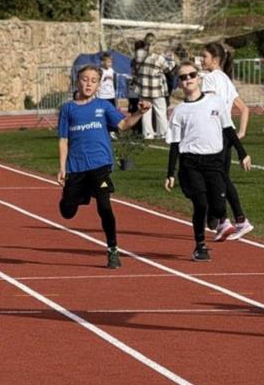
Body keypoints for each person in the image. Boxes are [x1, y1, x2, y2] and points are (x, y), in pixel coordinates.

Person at [57, 64, 148, 268]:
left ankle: (112, 250)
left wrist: (139, 113)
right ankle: (76, 196)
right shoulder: (68, 109)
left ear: (98, 84)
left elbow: (123, 125)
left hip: (100, 165)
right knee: (67, 212)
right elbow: (63, 140)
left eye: (93, 80)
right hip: (77, 166)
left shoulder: (104, 107)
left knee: (105, 206)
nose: (88, 83)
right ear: (77, 81)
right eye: (85, 79)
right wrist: (62, 167)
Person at [165, 62, 251, 261]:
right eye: (183, 77)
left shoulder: (216, 102)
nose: (188, 79)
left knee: (219, 209)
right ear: (179, 83)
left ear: (199, 78)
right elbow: (175, 144)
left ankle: (217, 217)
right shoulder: (179, 112)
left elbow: (228, 129)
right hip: (190, 163)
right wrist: (170, 173)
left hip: (214, 161)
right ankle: (200, 245)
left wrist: (242, 152)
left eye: (191, 75)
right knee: (200, 204)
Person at [200, 42, 253, 240]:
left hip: (216, 132)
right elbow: (244, 109)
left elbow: (209, 107)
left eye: (204, 57)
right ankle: (225, 220)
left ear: (215, 59)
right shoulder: (225, 79)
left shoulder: (210, 79)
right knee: (220, 177)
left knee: (217, 178)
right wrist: (240, 132)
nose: (201, 60)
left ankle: (235, 220)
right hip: (227, 132)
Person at [133, 43, 170, 139]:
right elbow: (168, 68)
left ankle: (147, 134)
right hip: (156, 89)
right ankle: (162, 133)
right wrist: (171, 60)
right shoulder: (159, 58)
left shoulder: (139, 56)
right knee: (161, 111)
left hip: (144, 88)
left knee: (145, 112)